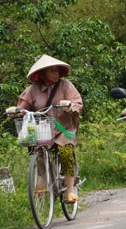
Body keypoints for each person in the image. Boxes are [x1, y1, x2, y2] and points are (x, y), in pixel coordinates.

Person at [8, 54, 83, 203]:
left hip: (64, 129)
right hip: (42, 130)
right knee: (40, 155)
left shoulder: (65, 86)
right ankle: (41, 187)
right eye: (52, 71)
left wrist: (69, 106)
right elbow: (22, 108)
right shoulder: (32, 90)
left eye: (57, 70)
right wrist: (16, 112)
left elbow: (77, 104)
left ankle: (70, 191)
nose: (55, 73)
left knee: (66, 152)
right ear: (43, 74)